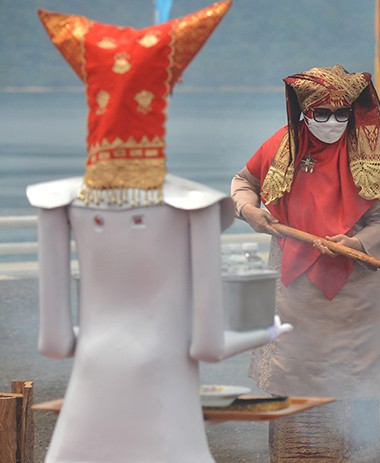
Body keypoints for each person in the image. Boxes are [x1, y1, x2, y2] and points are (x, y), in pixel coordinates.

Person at [31, 3, 291, 462]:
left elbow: (55, 342)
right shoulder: (193, 207)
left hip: (90, 392)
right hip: (166, 404)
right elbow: (207, 345)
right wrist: (266, 333)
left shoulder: (59, 205)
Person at [231, 64, 380, 462]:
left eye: (341, 114)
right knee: (294, 378)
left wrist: (355, 242)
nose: (332, 122)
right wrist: (248, 211)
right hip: (293, 286)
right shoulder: (281, 146)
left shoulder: (369, 153)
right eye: (321, 114)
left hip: (355, 290)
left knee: (353, 387)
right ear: (304, 112)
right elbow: (243, 182)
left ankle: (356, 455)